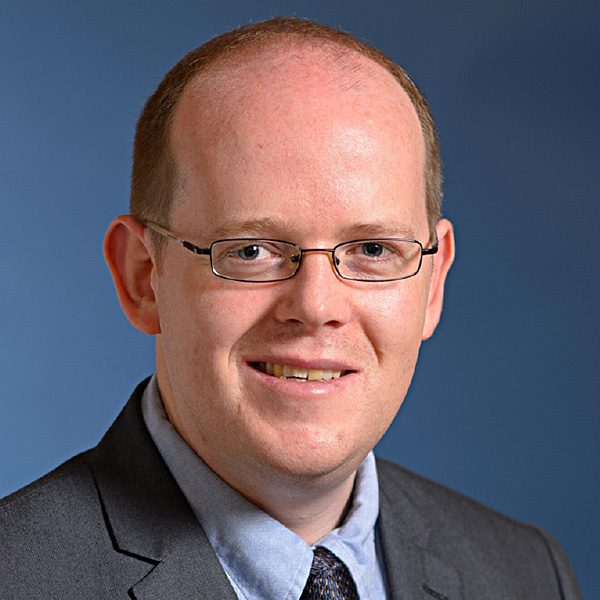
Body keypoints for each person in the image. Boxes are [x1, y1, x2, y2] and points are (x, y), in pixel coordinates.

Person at [0, 17, 581, 600]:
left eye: (373, 250)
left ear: (433, 284)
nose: (316, 305)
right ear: (143, 278)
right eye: (251, 251)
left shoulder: (527, 574)